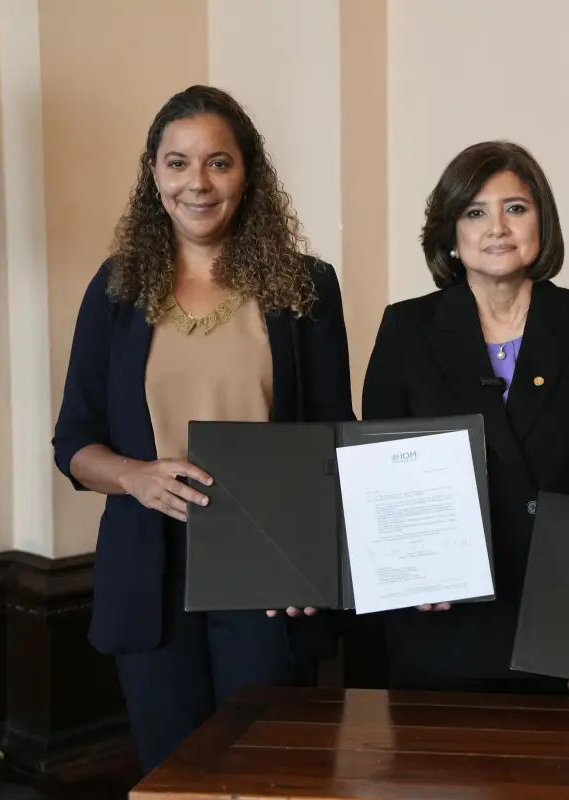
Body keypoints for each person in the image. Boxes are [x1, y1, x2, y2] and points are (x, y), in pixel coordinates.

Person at [51, 85, 354, 774]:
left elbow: (335, 437)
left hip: (271, 566)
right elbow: (73, 444)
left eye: (219, 163)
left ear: (249, 174)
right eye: (178, 162)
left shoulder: (304, 288)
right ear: (153, 174)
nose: (198, 182)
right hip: (149, 572)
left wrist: (313, 558)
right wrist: (133, 475)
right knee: (175, 772)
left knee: (271, 774)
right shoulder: (116, 290)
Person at [357, 140, 569, 694]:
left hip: (563, 627)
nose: (497, 228)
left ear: (542, 222)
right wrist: (404, 569)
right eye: (474, 212)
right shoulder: (406, 330)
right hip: (440, 622)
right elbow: (379, 477)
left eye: (516, 208)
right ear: (451, 233)